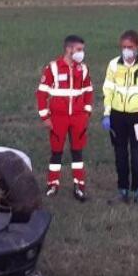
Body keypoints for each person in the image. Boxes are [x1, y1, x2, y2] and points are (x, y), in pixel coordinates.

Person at [101, 29, 138, 207]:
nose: (127, 50)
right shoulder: (113, 65)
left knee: (137, 157)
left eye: (130, 47)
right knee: (120, 155)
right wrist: (107, 114)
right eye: (124, 47)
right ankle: (122, 190)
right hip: (117, 117)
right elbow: (108, 90)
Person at [35, 35, 93, 201]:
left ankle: (79, 185)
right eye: (79, 50)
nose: (82, 53)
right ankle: (53, 184)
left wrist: (87, 112)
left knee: (77, 152)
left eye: (83, 50)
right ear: (69, 49)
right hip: (58, 118)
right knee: (56, 152)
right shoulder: (53, 68)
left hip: (78, 118)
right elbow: (41, 93)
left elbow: (88, 91)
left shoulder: (83, 69)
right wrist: (45, 116)